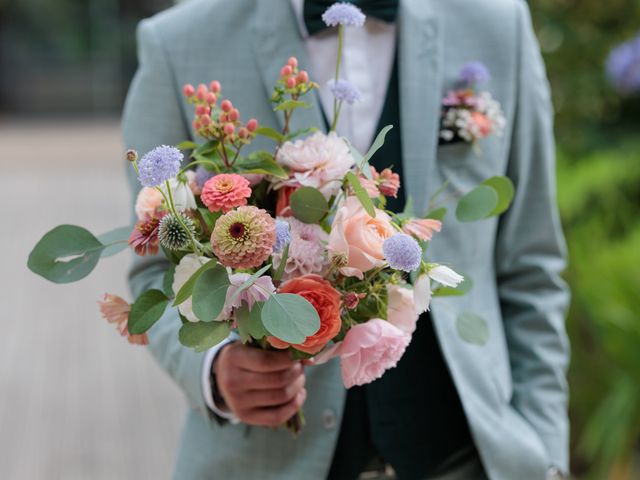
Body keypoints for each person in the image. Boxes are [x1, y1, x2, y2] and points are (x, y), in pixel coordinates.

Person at [122, 1, 570, 479]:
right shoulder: (178, 42)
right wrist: (213, 369)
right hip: (267, 462)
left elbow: (531, 265)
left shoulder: (496, 23)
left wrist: (545, 454)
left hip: (468, 456)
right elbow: (155, 266)